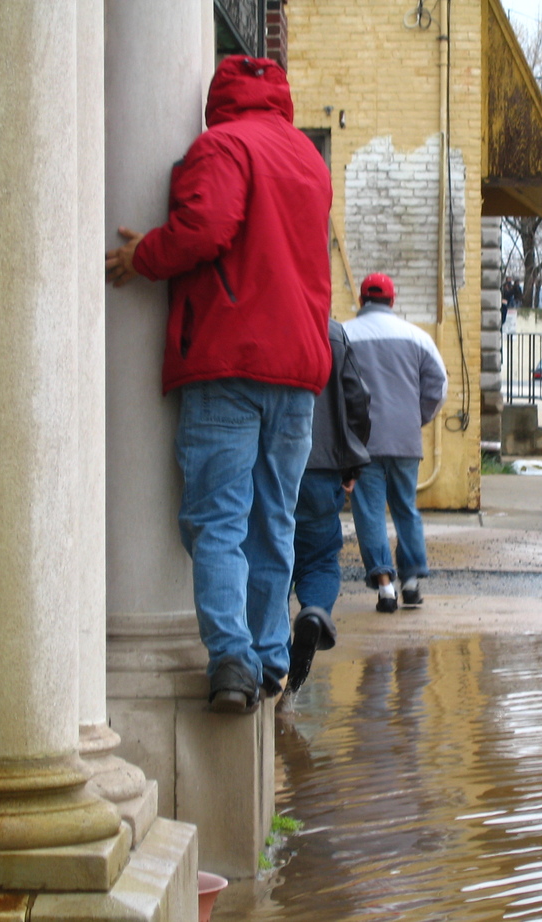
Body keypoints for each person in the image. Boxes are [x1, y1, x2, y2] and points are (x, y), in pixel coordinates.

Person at [105, 56, 333, 714]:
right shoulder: (307, 160)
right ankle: (266, 659)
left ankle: (230, 657)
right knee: (273, 518)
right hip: (297, 367)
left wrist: (142, 254)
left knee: (219, 520)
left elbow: (205, 230)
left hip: (228, 358)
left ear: (219, 100)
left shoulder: (223, 145)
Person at [343, 274, 448, 613]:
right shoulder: (418, 337)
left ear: (361, 300)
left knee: (370, 511)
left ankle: (385, 587)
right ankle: (412, 581)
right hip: (405, 440)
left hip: (362, 442)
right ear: (392, 300)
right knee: (406, 508)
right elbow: (438, 385)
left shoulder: (344, 335)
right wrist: (416, 418)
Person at [286, 319, 373, 695]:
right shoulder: (331, 331)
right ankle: (315, 611)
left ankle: (269, 660)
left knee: (269, 558)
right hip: (321, 469)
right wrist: (351, 463)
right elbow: (357, 402)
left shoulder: (263, 311)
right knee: (319, 559)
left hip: (272, 465)